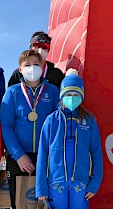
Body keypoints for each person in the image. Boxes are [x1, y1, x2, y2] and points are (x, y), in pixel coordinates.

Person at [0, 50, 60, 208]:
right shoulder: (12, 92)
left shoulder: (53, 91)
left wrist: (49, 154)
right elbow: (6, 126)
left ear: (42, 66)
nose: (32, 68)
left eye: (36, 64)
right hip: (19, 158)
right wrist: (19, 155)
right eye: (27, 65)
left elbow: (58, 125)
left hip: (46, 156)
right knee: (21, 203)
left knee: (45, 203)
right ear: (20, 69)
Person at [36, 69, 103, 208]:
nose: (72, 98)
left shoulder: (89, 120)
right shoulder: (51, 120)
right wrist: (41, 188)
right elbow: (42, 155)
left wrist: (94, 183)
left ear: (82, 96)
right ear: (62, 95)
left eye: (76, 94)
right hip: (56, 182)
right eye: (68, 94)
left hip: (81, 182)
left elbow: (96, 153)